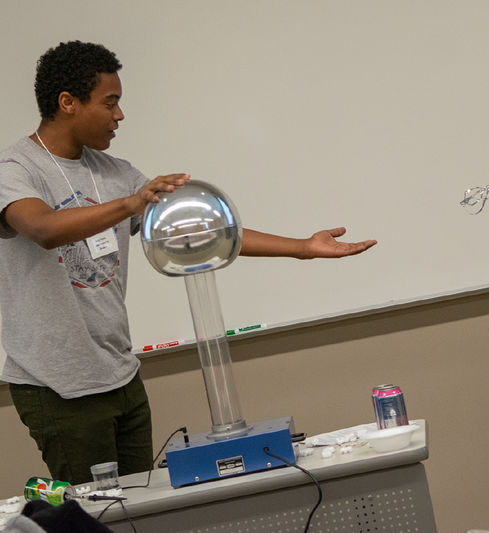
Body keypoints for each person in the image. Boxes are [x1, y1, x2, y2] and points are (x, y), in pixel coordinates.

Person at [0, 41, 377, 485]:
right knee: (95, 516)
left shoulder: (115, 172)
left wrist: (301, 247)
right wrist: (129, 204)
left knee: (141, 507)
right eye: (110, 103)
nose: (119, 115)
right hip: (58, 385)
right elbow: (43, 229)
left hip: (121, 376)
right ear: (67, 102)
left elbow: (199, 231)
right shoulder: (16, 168)